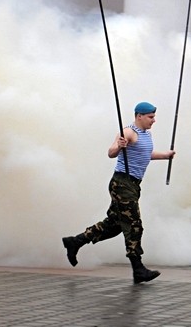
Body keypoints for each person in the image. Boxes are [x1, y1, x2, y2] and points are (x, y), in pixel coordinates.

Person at [61, 101, 175, 284]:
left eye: (153, 117)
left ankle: (75, 241)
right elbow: (111, 152)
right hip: (122, 183)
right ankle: (138, 269)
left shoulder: (147, 134)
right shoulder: (128, 132)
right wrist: (119, 146)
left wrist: (165, 156)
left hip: (133, 185)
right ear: (139, 116)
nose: (154, 120)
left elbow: (145, 154)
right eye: (150, 117)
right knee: (134, 224)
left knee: (114, 225)